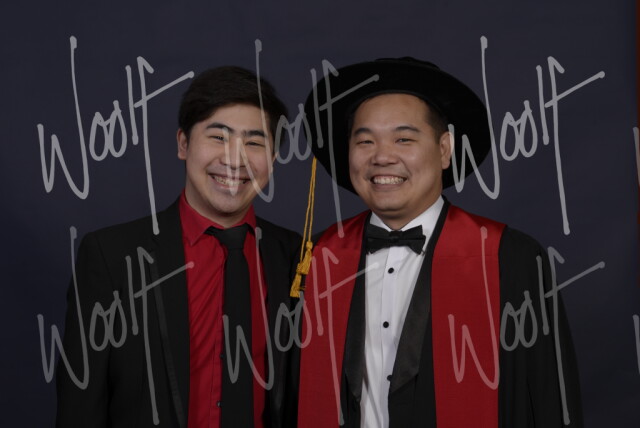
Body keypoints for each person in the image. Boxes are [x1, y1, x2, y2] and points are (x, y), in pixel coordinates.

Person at [292, 58, 583, 427]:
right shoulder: (318, 257)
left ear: (444, 149)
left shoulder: (510, 258)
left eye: (404, 139)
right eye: (365, 141)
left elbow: (549, 400)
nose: (382, 156)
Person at [56, 66, 300, 428]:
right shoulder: (111, 256)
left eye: (254, 142)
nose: (235, 159)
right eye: (218, 137)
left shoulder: (296, 256)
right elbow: (81, 407)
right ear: (183, 144)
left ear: (274, 159)